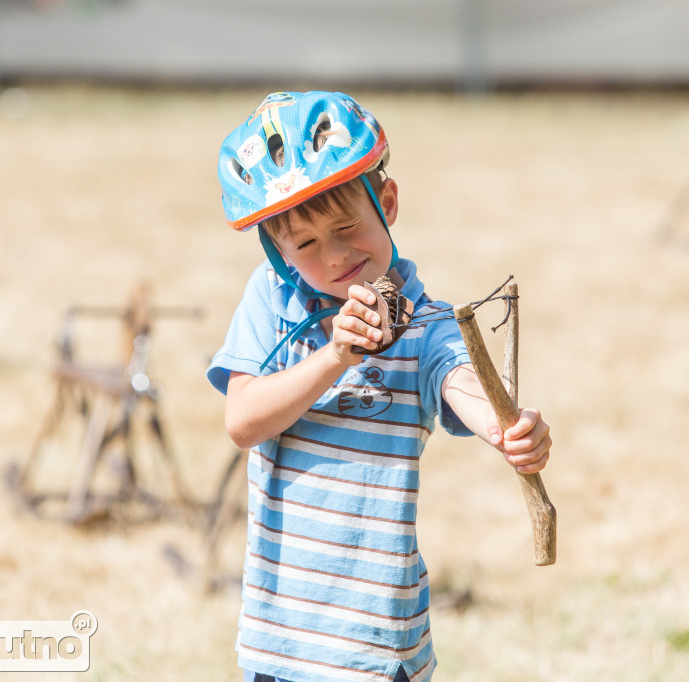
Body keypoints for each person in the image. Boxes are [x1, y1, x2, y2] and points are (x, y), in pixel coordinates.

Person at [206, 91, 552, 682]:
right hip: (280, 638)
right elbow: (243, 421)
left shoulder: (427, 323)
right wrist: (335, 355)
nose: (337, 255)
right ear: (277, 248)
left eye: (347, 227)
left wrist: (505, 429)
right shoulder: (271, 300)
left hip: (379, 643)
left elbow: (462, 382)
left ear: (386, 202)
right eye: (306, 244)